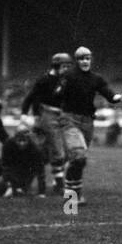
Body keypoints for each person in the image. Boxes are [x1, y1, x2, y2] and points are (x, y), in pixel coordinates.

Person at [54, 46, 122, 205]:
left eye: (88, 58)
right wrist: (61, 85)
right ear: (76, 61)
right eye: (81, 58)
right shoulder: (68, 75)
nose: (85, 61)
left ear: (91, 60)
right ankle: (73, 197)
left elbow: (110, 95)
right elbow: (57, 93)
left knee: (79, 159)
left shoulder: (96, 78)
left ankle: (71, 189)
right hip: (69, 119)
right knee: (78, 156)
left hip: (87, 122)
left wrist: (121, 97)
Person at [20, 53, 72, 195]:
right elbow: (31, 98)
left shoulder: (65, 80)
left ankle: (56, 180)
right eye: (64, 66)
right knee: (57, 149)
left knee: (67, 150)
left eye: (68, 66)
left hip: (62, 115)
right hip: (47, 115)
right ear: (56, 66)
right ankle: (59, 184)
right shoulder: (44, 80)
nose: (67, 69)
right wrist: (27, 114)